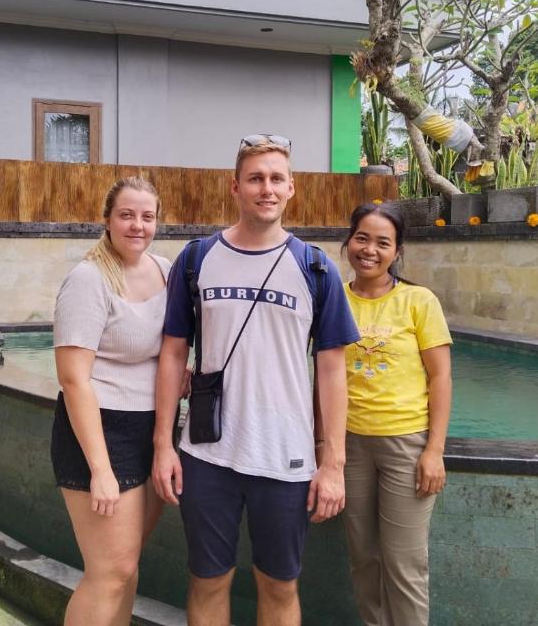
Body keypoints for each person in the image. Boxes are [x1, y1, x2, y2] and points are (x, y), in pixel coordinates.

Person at [152, 135, 360, 626]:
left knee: (279, 585)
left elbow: (332, 369)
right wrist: (163, 445)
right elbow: (173, 352)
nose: (266, 188)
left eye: (275, 179)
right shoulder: (197, 259)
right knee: (207, 580)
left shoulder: (316, 268)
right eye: (255, 178)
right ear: (235, 187)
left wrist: (333, 463)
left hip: (285, 456)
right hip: (208, 454)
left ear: (291, 188)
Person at [51, 176, 170, 626]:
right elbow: (73, 379)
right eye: (126, 215)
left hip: (150, 430)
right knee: (109, 572)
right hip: (100, 433)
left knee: (126, 567)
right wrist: (101, 470)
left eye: (147, 216)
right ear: (107, 219)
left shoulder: (165, 270)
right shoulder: (89, 279)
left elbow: (169, 349)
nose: (138, 225)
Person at [340, 202, 453, 626]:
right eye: (362, 238)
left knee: (404, 563)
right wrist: (324, 444)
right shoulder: (334, 299)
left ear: (397, 251)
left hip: (405, 443)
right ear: (349, 241)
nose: (369, 250)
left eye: (382, 243)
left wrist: (434, 450)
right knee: (363, 557)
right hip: (350, 444)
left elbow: (440, 377)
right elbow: (323, 375)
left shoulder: (418, 301)